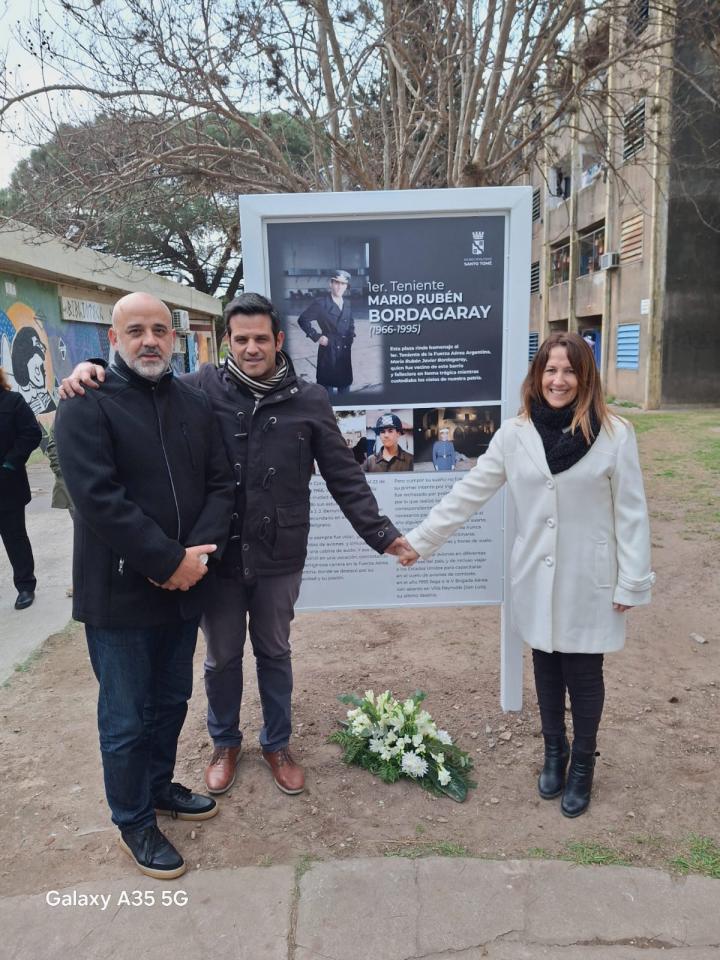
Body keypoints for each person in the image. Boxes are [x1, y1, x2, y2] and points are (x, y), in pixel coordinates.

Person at [59, 292, 405, 801]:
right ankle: (224, 743)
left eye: (260, 338)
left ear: (278, 340)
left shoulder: (310, 398)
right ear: (226, 342)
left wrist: (381, 533)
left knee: (275, 650)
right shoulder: (198, 389)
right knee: (221, 658)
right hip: (212, 556)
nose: (250, 348)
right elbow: (136, 382)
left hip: (279, 552)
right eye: (240, 339)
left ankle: (278, 744)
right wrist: (89, 369)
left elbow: (342, 474)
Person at [391, 332, 654, 818]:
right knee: (546, 662)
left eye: (570, 370)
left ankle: (582, 764)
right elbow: (470, 492)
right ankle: (554, 749)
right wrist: (420, 541)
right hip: (536, 571)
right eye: (550, 370)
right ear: (537, 375)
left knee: (584, 669)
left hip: (588, 575)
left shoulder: (615, 434)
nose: (559, 380)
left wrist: (632, 579)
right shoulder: (515, 434)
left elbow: (632, 514)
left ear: (585, 377)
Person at [55, 292, 234, 879]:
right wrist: (167, 560)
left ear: (175, 336)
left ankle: (159, 789)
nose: (150, 339)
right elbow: (98, 501)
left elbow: (219, 486)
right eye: (136, 330)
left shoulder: (194, 400)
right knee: (126, 717)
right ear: (113, 338)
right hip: (121, 594)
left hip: (184, 587)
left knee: (171, 703)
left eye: (160, 328)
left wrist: (195, 559)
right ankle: (133, 819)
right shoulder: (87, 402)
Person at [0, 365, 42, 610]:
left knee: (15, 538)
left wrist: (9, 463)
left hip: (7, 487)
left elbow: (31, 433)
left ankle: (25, 586)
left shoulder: (13, 401)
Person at [297, 269, 355, 395]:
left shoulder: (348, 304)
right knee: (326, 394)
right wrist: (317, 336)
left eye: (343, 284)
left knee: (345, 390)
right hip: (328, 352)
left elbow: (351, 324)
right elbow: (303, 319)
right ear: (331, 284)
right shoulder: (321, 304)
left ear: (346, 286)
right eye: (337, 283)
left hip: (344, 353)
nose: (340, 287)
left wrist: (350, 338)